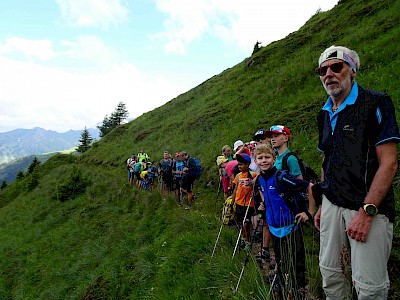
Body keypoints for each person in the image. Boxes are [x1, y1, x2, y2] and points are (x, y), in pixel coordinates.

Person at [314, 45, 400, 299]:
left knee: (369, 287)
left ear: (352, 71)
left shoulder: (376, 103)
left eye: (336, 67)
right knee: (330, 274)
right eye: (323, 70)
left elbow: (389, 163)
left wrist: (368, 210)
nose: (329, 74)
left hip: (366, 207)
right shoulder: (324, 112)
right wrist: (322, 203)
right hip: (331, 203)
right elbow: (326, 159)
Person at [254, 144, 315, 299]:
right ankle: (283, 286)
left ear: (274, 159)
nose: (264, 161)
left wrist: (309, 212)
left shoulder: (282, 177)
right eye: (260, 158)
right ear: (255, 161)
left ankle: (299, 291)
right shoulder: (260, 179)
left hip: (291, 227)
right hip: (275, 228)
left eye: (267, 157)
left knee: (296, 262)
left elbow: (309, 186)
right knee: (280, 260)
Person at [231, 153, 258, 247]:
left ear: (247, 164)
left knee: (246, 223)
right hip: (239, 202)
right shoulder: (238, 176)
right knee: (241, 222)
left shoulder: (254, 175)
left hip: (248, 203)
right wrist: (232, 201)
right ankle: (243, 238)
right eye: (238, 164)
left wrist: (254, 194)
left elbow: (258, 189)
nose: (239, 166)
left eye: (241, 164)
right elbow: (235, 189)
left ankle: (248, 240)